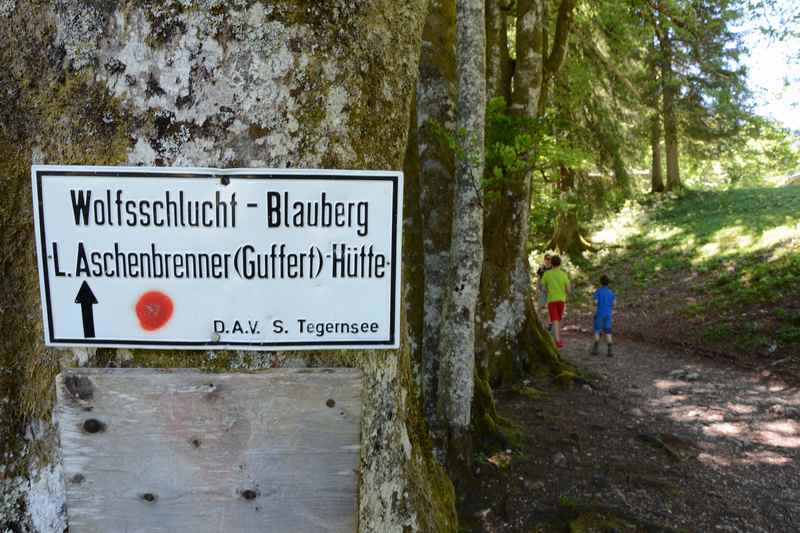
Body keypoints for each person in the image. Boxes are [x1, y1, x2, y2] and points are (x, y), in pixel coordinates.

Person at [540, 255, 570, 349]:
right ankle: (557, 339)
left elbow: (542, 286)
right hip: (561, 300)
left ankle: (556, 338)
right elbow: (568, 290)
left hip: (552, 300)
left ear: (551, 264)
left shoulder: (547, 274)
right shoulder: (564, 274)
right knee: (558, 320)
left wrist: (547, 290)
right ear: (560, 263)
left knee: (555, 320)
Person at [591, 274, 615, 357]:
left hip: (600, 314)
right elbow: (614, 303)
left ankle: (595, 349)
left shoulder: (598, 291)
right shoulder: (611, 292)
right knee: (608, 331)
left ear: (600, 282)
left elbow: (595, 302)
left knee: (597, 330)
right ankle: (610, 350)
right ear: (608, 283)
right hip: (608, 314)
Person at [536, 254, 553, 333]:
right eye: (546, 259)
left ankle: (550, 324)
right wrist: (537, 289)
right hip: (543, 290)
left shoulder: (553, 268)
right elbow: (538, 280)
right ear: (544, 259)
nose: (548, 261)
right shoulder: (541, 268)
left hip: (551, 291)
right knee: (540, 307)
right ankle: (538, 321)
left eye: (549, 259)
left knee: (550, 308)